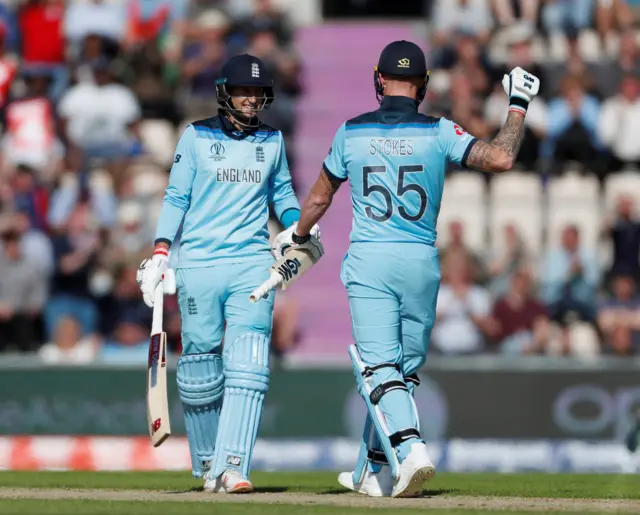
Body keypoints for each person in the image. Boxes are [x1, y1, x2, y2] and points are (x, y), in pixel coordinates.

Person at [273, 41, 540, 497]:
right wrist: (517, 103)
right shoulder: (439, 131)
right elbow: (501, 157)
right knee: (402, 373)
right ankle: (370, 471)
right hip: (421, 262)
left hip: (372, 260)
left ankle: (411, 450)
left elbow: (318, 197)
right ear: (424, 84)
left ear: (379, 79)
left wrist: (297, 236)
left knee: (380, 368)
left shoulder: (350, 132)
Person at [136, 54, 321, 493]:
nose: (253, 99)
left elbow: (283, 194)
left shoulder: (273, 140)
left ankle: (233, 465)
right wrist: (161, 251)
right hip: (198, 263)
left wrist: (299, 229)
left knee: (250, 363)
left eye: (258, 92)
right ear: (225, 94)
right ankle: (206, 466)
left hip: (252, 264)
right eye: (245, 91)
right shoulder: (195, 137)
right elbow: (177, 196)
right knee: (200, 368)